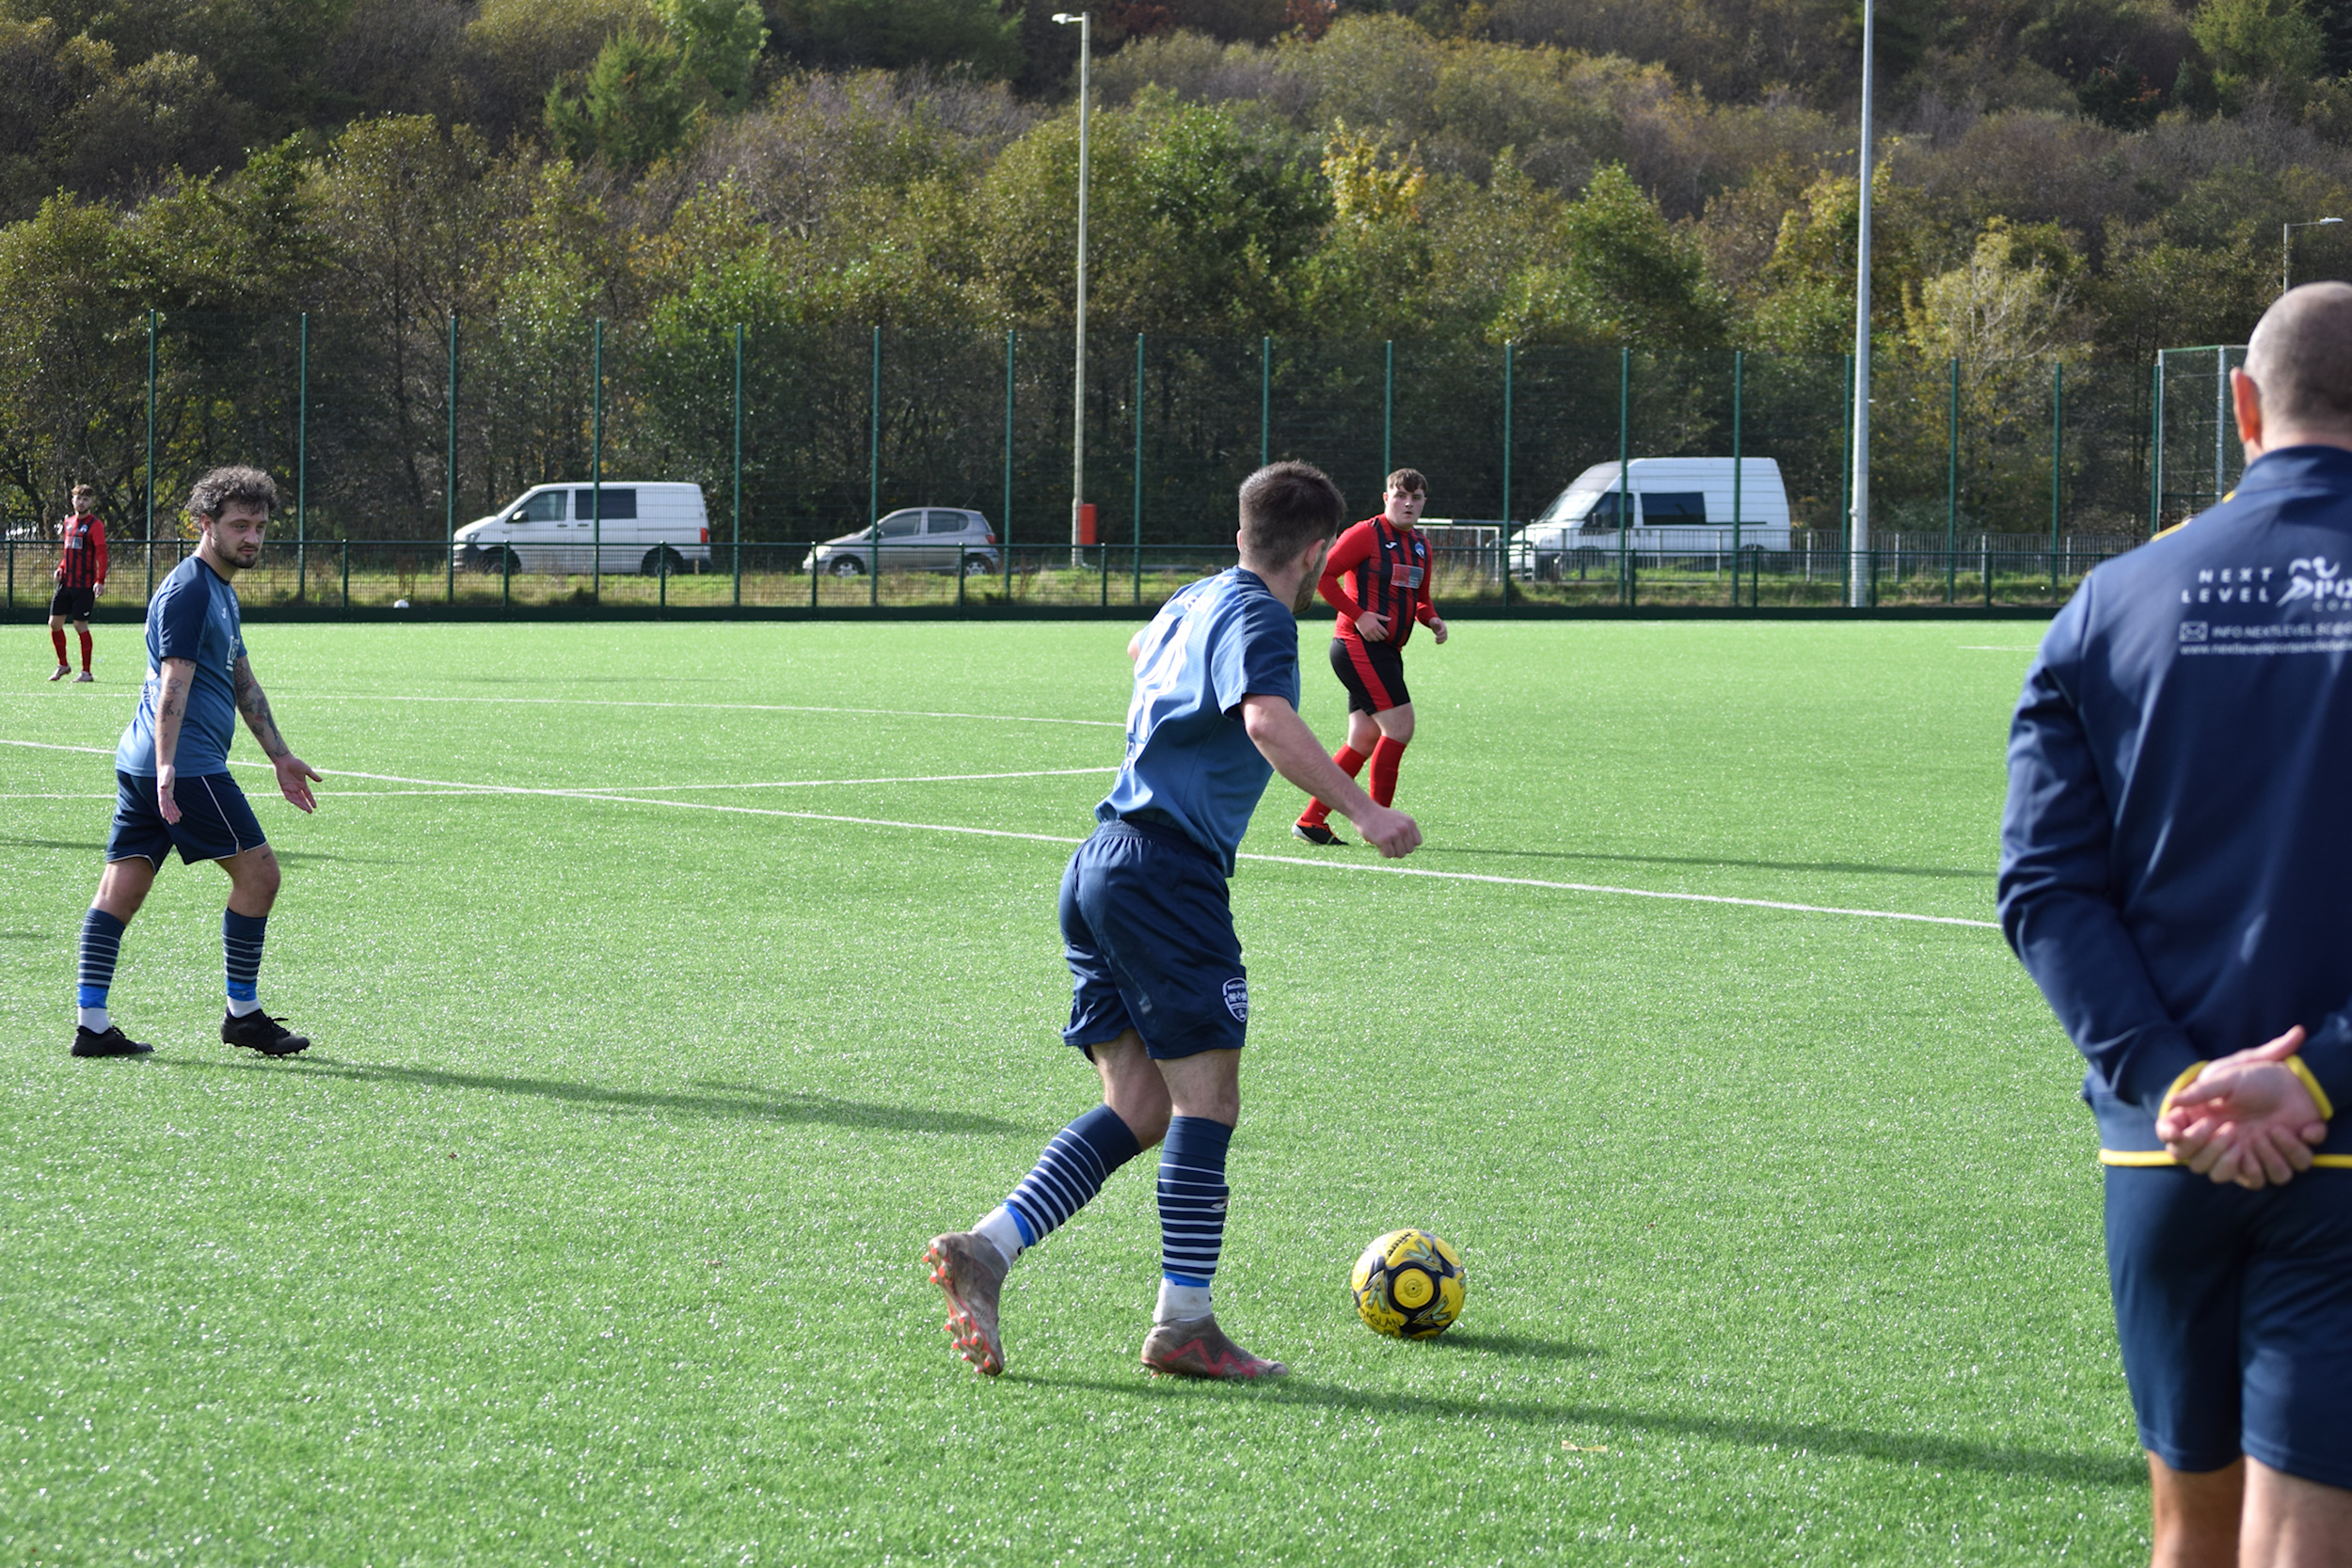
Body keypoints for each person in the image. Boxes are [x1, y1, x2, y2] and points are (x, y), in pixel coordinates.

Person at [925, 462, 1422, 1381]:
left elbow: (1137, 646)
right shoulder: (1265, 617)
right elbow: (1266, 719)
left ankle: (988, 1247)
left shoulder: (1195, 598)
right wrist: (1362, 809)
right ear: (1319, 554)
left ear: (1242, 534)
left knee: (1140, 1106)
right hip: (1167, 875)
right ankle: (1185, 1321)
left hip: (1100, 863)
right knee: (1206, 1100)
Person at [1998, 282, 2352, 1566]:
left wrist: (2173, 1079)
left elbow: (2042, 888)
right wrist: (2315, 1070)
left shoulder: (2110, 599)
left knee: (2188, 1532)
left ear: (2242, 406)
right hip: (2345, 1144)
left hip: (2166, 1147)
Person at [71, 467, 322, 1060]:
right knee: (260, 876)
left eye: (259, 526)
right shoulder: (191, 590)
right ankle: (243, 1016)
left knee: (121, 888)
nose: (252, 537)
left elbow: (241, 680)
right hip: (184, 766)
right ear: (204, 524)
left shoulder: (219, 589)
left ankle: (92, 1026)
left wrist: (280, 756)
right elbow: (173, 684)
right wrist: (168, 767)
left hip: (144, 762)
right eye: (239, 525)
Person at [1292, 467, 1449, 846]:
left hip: (1387, 651)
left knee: (1363, 738)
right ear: (1386, 498)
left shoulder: (1421, 546)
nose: (1408, 504)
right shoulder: (1366, 533)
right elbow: (1323, 576)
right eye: (1400, 496)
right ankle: (1380, 825)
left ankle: (1311, 821)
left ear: (1424, 503)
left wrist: (1431, 619)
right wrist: (1359, 615)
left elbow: (1420, 599)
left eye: (1416, 498)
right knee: (1400, 727)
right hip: (1357, 646)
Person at [47, 483, 106, 683]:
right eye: (78, 498)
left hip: (84, 584)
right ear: (72, 500)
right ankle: (63, 664)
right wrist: (61, 567)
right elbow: (68, 552)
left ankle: (86, 672)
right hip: (66, 583)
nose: (81, 502)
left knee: (80, 625)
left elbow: (102, 554)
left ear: (91, 502)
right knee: (54, 623)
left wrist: (100, 580)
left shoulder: (95, 525)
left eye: (85, 499)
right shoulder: (69, 522)